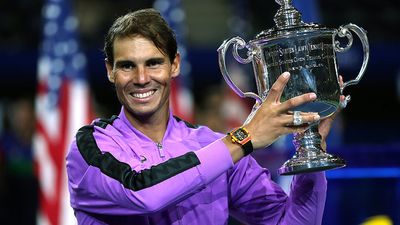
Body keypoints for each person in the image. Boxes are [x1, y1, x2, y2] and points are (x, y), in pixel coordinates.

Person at [66, 8, 340, 225]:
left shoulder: (214, 145)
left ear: (174, 65)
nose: (141, 78)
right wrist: (244, 137)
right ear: (110, 71)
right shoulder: (90, 146)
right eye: (127, 66)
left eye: (154, 63)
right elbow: (142, 193)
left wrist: (311, 152)